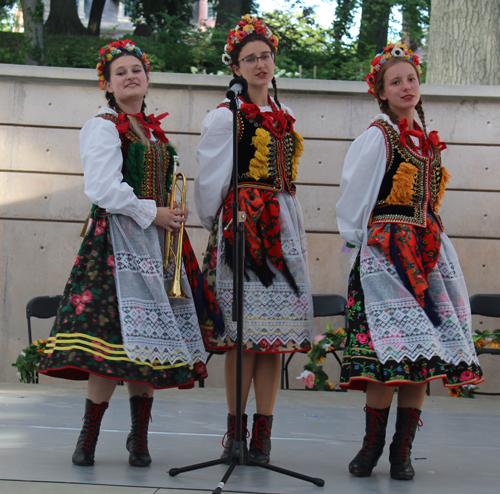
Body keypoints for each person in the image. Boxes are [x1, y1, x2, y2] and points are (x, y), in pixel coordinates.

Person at [38, 39, 208, 468]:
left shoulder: (153, 131)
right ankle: (88, 437)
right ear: (108, 86)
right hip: (116, 244)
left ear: (147, 79)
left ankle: (140, 439)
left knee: (147, 346)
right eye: (121, 73)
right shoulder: (101, 125)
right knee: (109, 346)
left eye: (137, 70)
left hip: (154, 244)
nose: (131, 76)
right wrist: (154, 212)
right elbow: (103, 189)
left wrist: (171, 213)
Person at [336, 43, 484, 480]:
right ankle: (372, 446)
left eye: (411, 79)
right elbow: (355, 200)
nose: (405, 87)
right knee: (388, 354)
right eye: (395, 81)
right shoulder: (378, 136)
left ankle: (402, 451)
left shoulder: (423, 139)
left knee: (422, 352)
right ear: (380, 92)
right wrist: (365, 249)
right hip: (387, 254)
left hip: (429, 254)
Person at [194, 14, 313, 464]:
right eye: (251, 58)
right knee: (241, 339)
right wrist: (221, 226)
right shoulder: (226, 116)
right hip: (243, 230)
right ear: (237, 67)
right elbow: (211, 183)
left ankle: (262, 434)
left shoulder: (280, 115)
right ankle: (236, 432)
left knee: (273, 340)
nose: (261, 64)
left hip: (282, 231)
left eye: (265, 56)